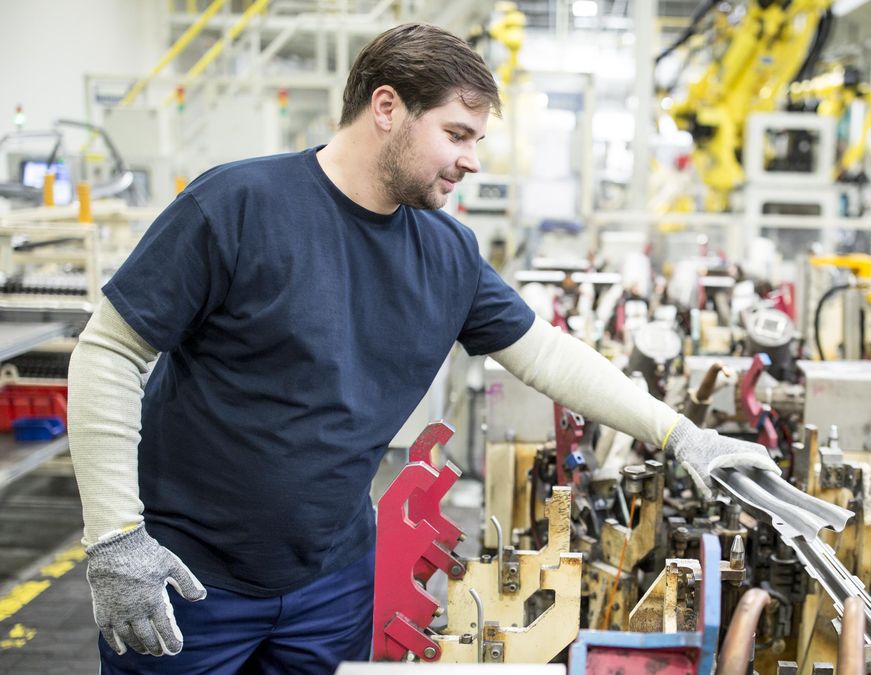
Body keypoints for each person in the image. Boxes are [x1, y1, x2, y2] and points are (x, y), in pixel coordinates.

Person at [68, 22, 776, 674]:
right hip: (186, 582)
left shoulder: (447, 252)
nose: (471, 161)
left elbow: (547, 355)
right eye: (458, 134)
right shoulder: (239, 205)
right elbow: (109, 351)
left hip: (331, 585)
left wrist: (679, 432)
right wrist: (116, 537)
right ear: (386, 107)